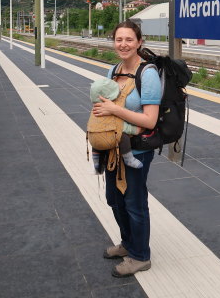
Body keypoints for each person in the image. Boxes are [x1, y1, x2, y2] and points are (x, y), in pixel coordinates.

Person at [92, 20, 161, 278]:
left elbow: (150, 121)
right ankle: (127, 243)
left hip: (137, 150)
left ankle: (140, 256)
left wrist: (113, 110)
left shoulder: (148, 74)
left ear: (139, 42)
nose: (123, 44)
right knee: (114, 199)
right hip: (113, 147)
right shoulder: (114, 70)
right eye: (119, 39)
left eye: (129, 40)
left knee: (134, 203)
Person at [87, 77, 143, 170]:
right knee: (123, 137)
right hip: (109, 138)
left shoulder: (95, 110)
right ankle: (128, 158)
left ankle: (97, 163)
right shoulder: (110, 109)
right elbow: (119, 126)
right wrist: (135, 130)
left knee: (96, 138)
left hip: (93, 140)